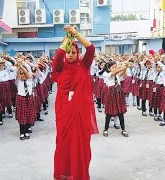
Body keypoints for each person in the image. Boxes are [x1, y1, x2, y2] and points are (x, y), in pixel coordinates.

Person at [53, 25, 98, 180]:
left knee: (80, 145)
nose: (70, 55)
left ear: (78, 54)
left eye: (74, 52)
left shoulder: (83, 65)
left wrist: (76, 34)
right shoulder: (60, 67)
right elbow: (58, 55)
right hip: (63, 112)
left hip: (80, 113)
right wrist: (68, 39)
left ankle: (79, 174)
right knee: (63, 144)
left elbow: (91, 49)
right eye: (68, 52)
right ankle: (65, 173)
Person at [102, 61, 129, 137]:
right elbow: (115, 72)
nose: (115, 68)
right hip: (111, 94)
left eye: (115, 67)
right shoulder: (108, 75)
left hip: (118, 93)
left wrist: (126, 67)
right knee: (109, 113)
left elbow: (123, 73)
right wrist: (122, 67)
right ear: (108, 68)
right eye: (113, 67)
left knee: (120, 112)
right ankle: (106, 129)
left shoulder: (117, 76)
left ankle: (123, 129)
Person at [15, 59, 35, 140]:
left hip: (28, 98)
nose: (22, 75)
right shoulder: (18, 81)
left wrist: (21, 65)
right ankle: (21, 132)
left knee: (27, 115)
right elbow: (18, 74)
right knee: (21, 116)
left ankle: (26, 130)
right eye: (20, 74)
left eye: (23, 74)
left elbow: (28, 71)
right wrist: (19, 68)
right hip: (21, 99)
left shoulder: (29, 79)